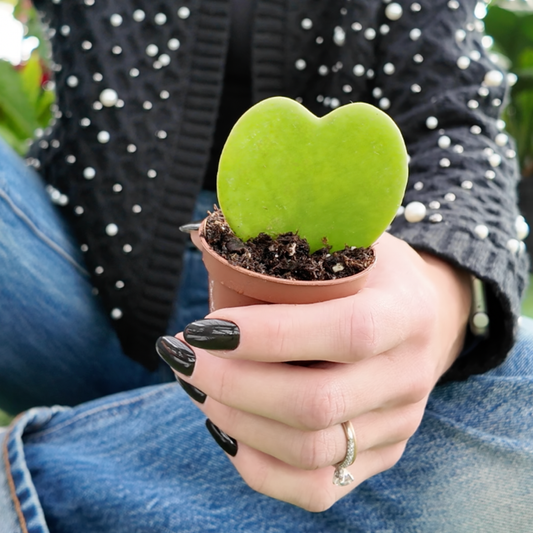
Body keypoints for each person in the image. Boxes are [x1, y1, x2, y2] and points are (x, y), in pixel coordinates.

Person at [1, 0, 533, 531]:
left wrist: (437, 306)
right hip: (71, 271)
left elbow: (459, 123)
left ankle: (44, 480)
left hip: (321, 312)